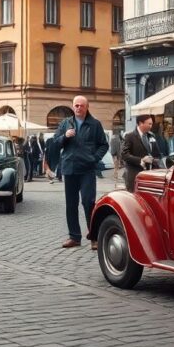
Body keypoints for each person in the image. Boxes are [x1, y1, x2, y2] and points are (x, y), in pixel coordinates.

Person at [54, 96, 108, 249]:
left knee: (88, 202)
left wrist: (94, 158)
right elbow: (55, 143)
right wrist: (64, 136)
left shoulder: (95, 124)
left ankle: (94, 237)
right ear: (73, 107)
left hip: (87, 169)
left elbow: (103, 145)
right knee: (71, 204)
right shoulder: (65, 123)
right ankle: (74, 237)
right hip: (69, 168)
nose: (78, 108)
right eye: (76, 105)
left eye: (81, 105)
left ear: (87, 107)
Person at [120, 115, 164, 191]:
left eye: (151, 124)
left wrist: (154, 160)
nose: (151, 126)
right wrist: (141, 160)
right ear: (141, 123)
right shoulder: (130, 136)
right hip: (134, 176)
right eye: (149, 124)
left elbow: (157, 154)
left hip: (149, 176)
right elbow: (124, 155)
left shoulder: (151, 136)